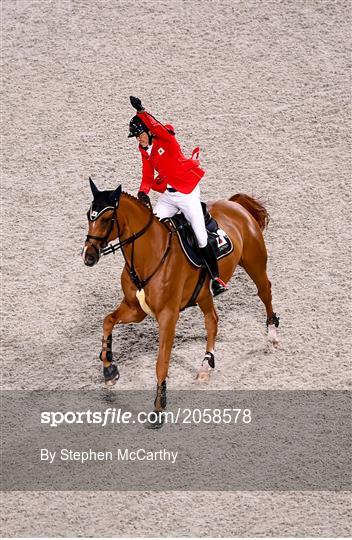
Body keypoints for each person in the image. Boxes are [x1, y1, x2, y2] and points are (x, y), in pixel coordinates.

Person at [128, 96, 227, 297]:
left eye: (140, 135)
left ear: (148, 132)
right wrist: (143, 191)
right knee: (152, 224)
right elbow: (147, 174)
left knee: (200, 237)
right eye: (137, 137)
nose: (139, 140)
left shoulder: (166, 139)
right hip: (169, 195)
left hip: (187, 193)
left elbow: (156, 125)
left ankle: (216, 279)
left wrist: (141, 112)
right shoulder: (144, 150)